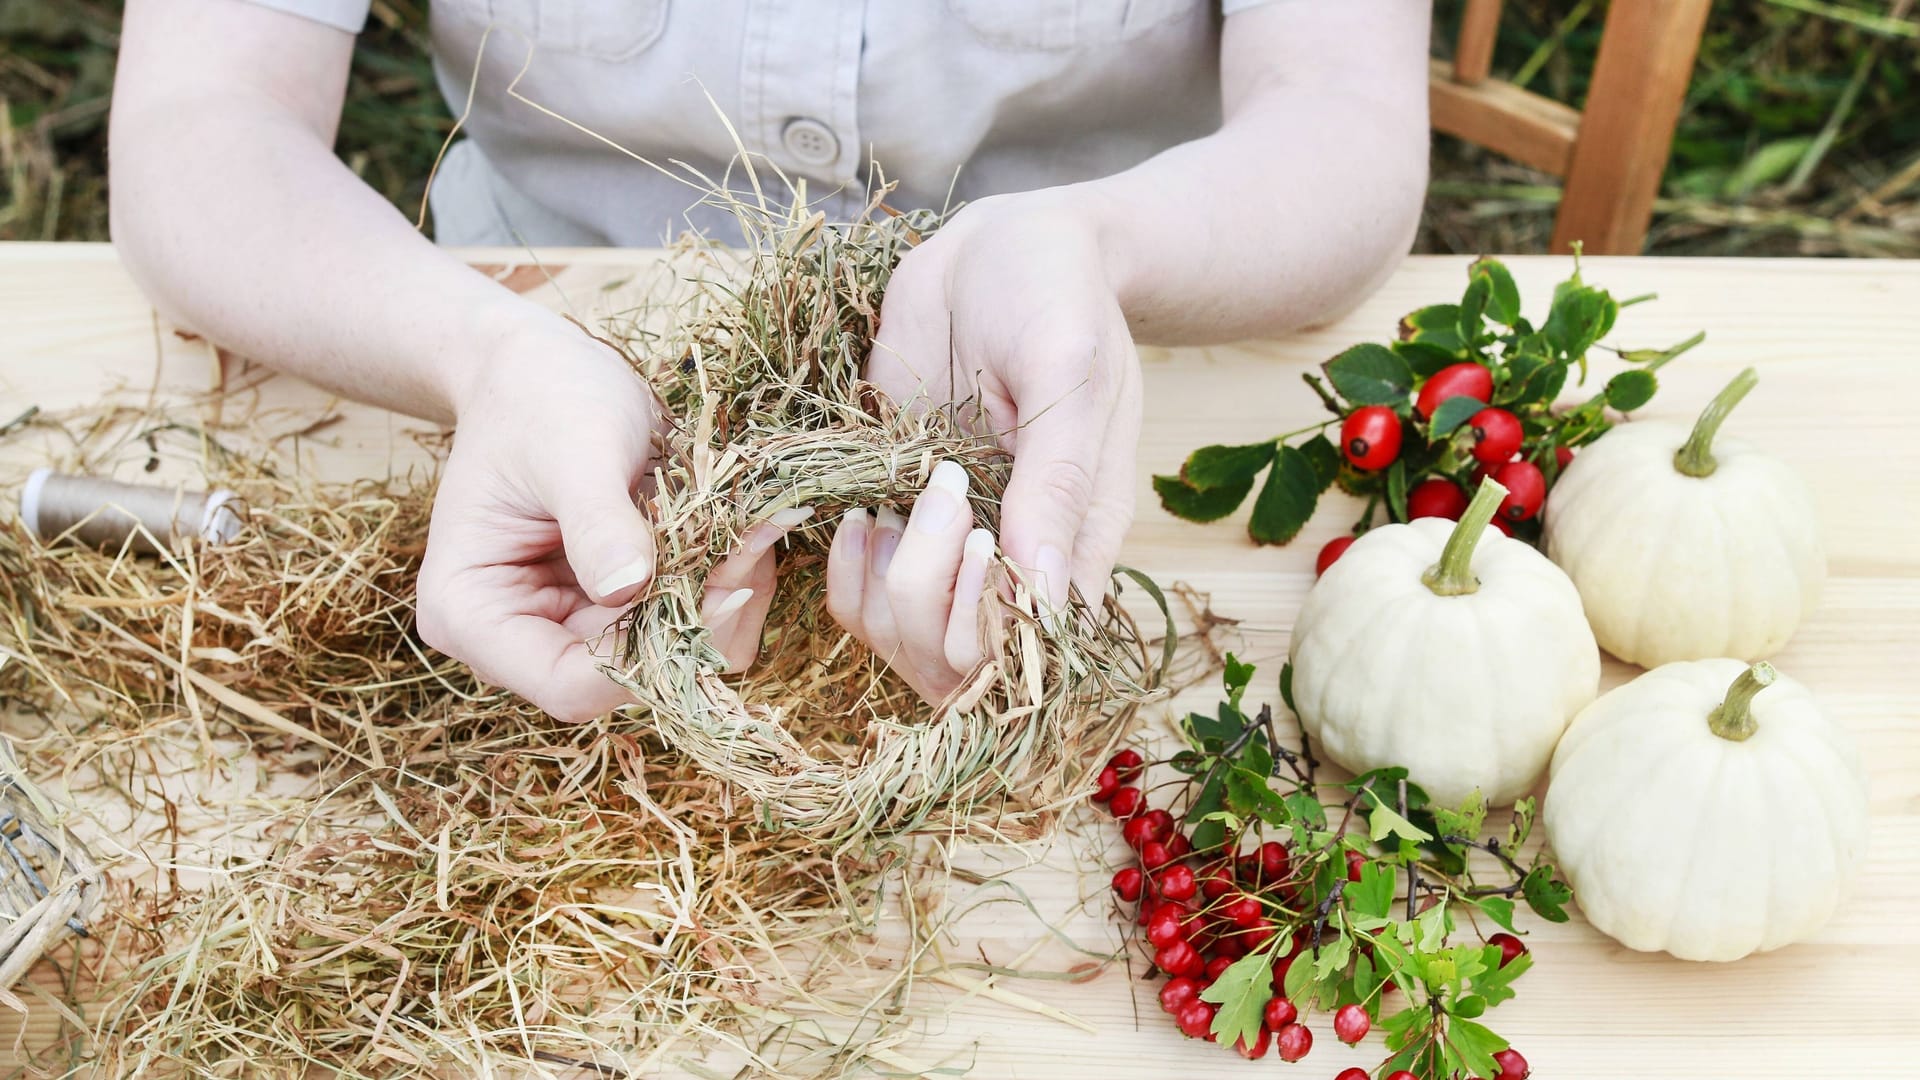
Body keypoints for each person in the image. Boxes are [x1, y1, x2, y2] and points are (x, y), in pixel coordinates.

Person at [108, 1, 1430, 720]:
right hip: (549, 381)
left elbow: (1340, 115)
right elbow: (201, 124)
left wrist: (1101, 239)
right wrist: (478, 351)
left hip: (1074, 371)